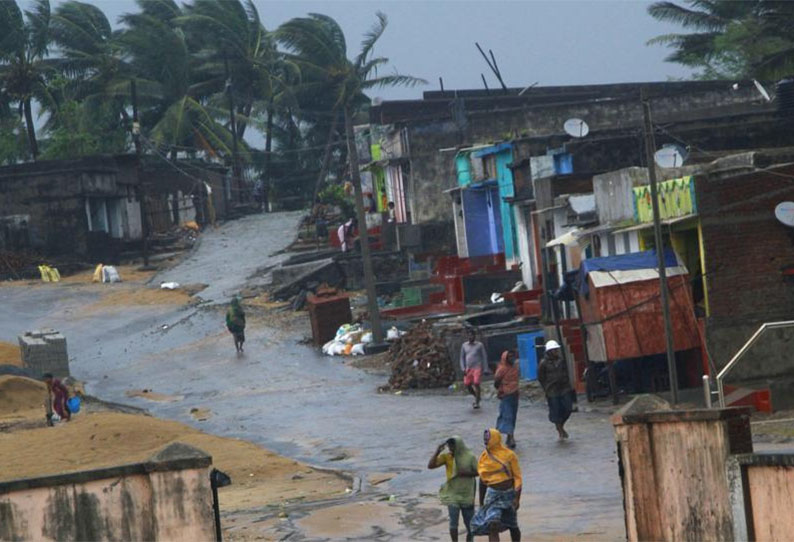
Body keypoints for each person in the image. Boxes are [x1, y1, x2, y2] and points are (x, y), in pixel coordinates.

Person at [471, 428, 522, 542]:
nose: (485, 441)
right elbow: (483, 480)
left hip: (508, 495)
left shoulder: (509, 455)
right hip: (492, 495)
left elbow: (517, 478)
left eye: (487, 439)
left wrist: (517, 499)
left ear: (495, 439)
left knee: (512, 525)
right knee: (492, 524)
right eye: (484, 439)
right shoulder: (484, 457)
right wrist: (481, 503)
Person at [428, 436, 479, 542]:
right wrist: (437, 451)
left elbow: (479, 472)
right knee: (453, 523)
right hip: (452, 494)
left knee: (470, 525)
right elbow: (430, 466)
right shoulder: (447, 457)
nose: (451, 450)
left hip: (467, 493)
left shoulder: (470, 457)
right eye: (449, 447)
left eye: (453, 447)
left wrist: (465, 473)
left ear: (459, 446)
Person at [537, 340, 574, 440]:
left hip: (564, 388)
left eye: (556, 350)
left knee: (568, 408)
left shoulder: (561, 361)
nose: (556, 352)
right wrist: (547, 388)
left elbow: (565, 372)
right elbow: (541, 377)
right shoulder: (543, 363)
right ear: (549, 351)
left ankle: (561, 424)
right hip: (552, 390)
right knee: (556, 410)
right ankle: (559, 428)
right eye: (554, 350)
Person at [495, 351, 520, 449]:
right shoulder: (501, 369)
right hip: (506, 395)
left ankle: (509, 436)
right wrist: (502, 390)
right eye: (509, 357)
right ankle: (510, 437)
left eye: (512, 356)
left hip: (515, 394)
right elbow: (496, 381)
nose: (511, 358)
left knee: (512, 416)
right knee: (507, 415)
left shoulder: (515, 368)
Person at [460, 328, 486, 409]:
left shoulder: (479, 345)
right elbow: (462, 358)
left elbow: (484, 357)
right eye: (469, 335)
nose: (471, 337)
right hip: (468, 368)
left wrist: (485, 368)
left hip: (477, 367)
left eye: (472, 335)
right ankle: (477, 396)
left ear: (475, 336)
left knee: (476, 383)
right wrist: (463, 368)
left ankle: (477, 402)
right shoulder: (464, 345)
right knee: (467, 384)